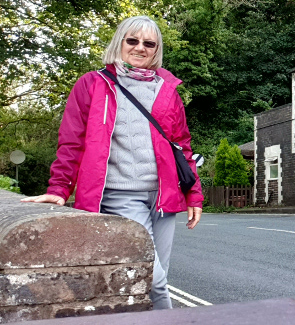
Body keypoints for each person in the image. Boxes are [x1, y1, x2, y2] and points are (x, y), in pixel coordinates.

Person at [21, 16, 203, 310]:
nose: (140, 48)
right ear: (120, 42)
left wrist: (194, 194)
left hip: (163, 198)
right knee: (152, 277)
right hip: (120, 196)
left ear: (156, 50)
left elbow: (181, 146)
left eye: (148, 43)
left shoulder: (167, 90)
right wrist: (59, 188)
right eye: (132, 40)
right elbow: (72, 141)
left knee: (159, 278)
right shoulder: (94, 84)